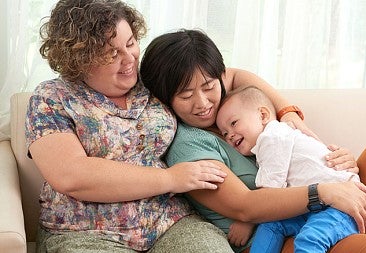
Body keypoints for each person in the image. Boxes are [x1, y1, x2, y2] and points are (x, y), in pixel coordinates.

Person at [140, 29, 366, 253]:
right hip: (285, 239)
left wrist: (335, 167)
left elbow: (234, 76)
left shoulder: (236, 110)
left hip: (333, 212)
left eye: (209, 87)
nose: (202, 102)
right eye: (185, 95)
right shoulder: (189, 145)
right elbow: (245, 207)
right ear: (165, 99)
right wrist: (325, 191)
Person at [26, 1, 242, 252]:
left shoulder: (150, 79)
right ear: (80, 59)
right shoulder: (52, 98)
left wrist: (287, 111)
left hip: (170, 223)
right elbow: (72, 176)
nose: (129, 59)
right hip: (85, 233)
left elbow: (228, 76)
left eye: (130, 43)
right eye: (112, 53)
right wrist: (170, 178)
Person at [216, 85, 360, 252]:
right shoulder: (269, 144)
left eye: (234, 123)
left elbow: (268, 196)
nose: (230, 135)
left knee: (309, 240)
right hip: (316, 206)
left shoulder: (272, 136)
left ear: (263, 115)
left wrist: (247, 221)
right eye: (224, 133)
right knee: (271, 225)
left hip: (341, 206)